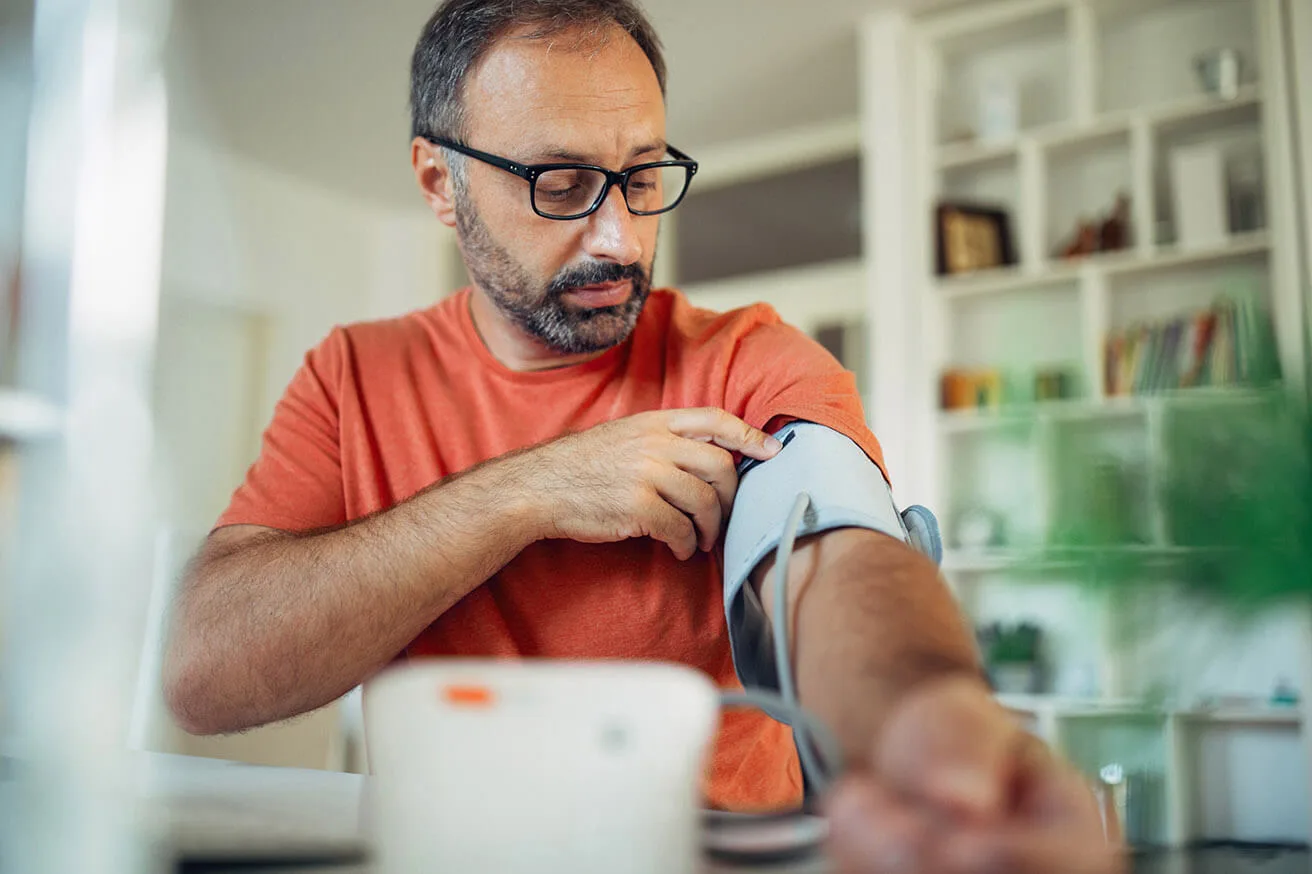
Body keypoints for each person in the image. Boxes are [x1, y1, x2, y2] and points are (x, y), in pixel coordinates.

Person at [163, 1, 1119, 871]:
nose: (620, 236)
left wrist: (928, 718)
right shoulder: (354, 375)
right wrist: (531, 493)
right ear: (439, 182)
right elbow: (203, 674)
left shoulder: (751, 358)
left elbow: (837, 558)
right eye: (563, 182)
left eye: (644, 174)